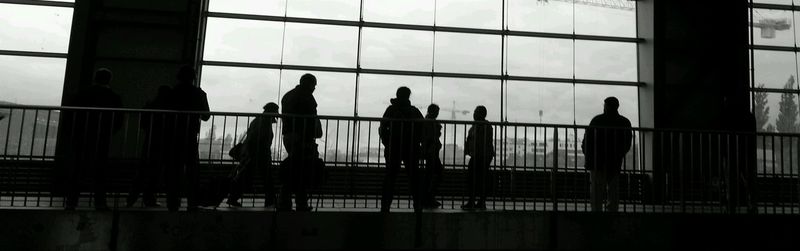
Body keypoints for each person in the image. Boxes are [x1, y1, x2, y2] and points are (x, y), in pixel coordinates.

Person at [64, 68, 123, 210]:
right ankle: (100, 202)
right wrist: (109, 132)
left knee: (78, 168)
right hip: (102, 137)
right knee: (100, 170)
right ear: (109, 79)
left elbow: (70, 115)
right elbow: (118, 120)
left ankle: (72, 202)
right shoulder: (114, 97)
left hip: (82, 136)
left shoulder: (83, 94)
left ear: (95, 78)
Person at [163, 66, 210, 212]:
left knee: (174, 170)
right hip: (190, 135)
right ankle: (192, 202)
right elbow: (206, 116)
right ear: (194, 77)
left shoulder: (172, 92)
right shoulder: (199, 93)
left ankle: (172, 202)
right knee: (192, 171)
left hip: (173, 134)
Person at [581, 97, 632, 213]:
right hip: (614, 161)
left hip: (596, 161)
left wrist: (588, 154)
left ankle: (596, 212)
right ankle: (612, 212)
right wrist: (619, 155)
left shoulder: (597, 120)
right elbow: (627, 143)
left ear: (606, 106)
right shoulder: (624, 122)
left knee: (596, 190)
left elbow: (588, 140)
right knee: (613, 189)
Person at [279, 73, 322, 211]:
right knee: (301, 171)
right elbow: (311, 118)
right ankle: (300, 202)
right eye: (314, 85)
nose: (314, 88)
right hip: (302, 137)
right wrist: (313, 135)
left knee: (295, 168)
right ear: (309, 84)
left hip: (288, 135)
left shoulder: (288, 95)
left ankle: (286, 201)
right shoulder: (306, 96)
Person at [379, 86, 425, 213]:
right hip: (411, 147)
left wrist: (386, 141)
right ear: (408, 96)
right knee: (414, 177)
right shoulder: (414, 111)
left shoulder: (391, 110)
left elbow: (383, 126)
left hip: (393, 147)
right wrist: (418, 142)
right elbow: (422, 127)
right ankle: (418, 205)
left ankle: (385, 206)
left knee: (390, 177)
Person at [227, 102, 279, 208]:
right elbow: (261, 139)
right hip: (259, 153)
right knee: (266, 178)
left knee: (247, 177)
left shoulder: (258, 120)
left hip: (253, 153)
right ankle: (270, 200)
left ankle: (233, 197)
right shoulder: (265, 122)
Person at [127, 85, 172, 208]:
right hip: (163, 143)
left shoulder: (150, 106)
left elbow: (143, 124)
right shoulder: (169, 109)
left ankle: (131, 198)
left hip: (150, 141)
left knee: (142, 171)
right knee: (155, 173)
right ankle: (149, 199)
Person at [462, 106, 494, 210]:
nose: (474, 114)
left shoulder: (480, 126)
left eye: (476, 112)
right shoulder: (484, 126)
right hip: (482, 155)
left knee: (473, 179)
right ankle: (480, 202)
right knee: (481, 179)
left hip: (480, 155)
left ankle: (473, 201)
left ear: (480, 114)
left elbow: (476, 141)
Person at [421, 104, 443, 209]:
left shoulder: (428, 121)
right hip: (432, 151)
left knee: (430, 174)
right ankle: (429, 197)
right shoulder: (431, 123)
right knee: (435, 173)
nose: (437, 113)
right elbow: (431, 137)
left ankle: (427, 197)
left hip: (431, 151)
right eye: (437, 111)